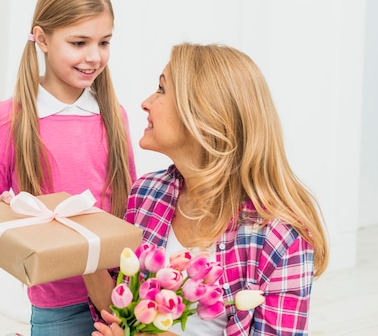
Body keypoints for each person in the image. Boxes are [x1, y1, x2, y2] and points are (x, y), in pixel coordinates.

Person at [86, 43, 329, 336]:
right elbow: (119, 311)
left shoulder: (281, 237)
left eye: (162, 89)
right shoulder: (147, 193)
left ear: (201, 116)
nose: (146, 102)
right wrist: (83, 245)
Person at [0, 0, 137, 336]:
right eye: (79, 43)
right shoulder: (8, 118)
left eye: (104, 42)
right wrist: (8, 210)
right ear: (42, 39)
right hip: (55, 302)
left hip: (121, 296)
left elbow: (132, 204)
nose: (94, 56)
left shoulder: (115, 115)